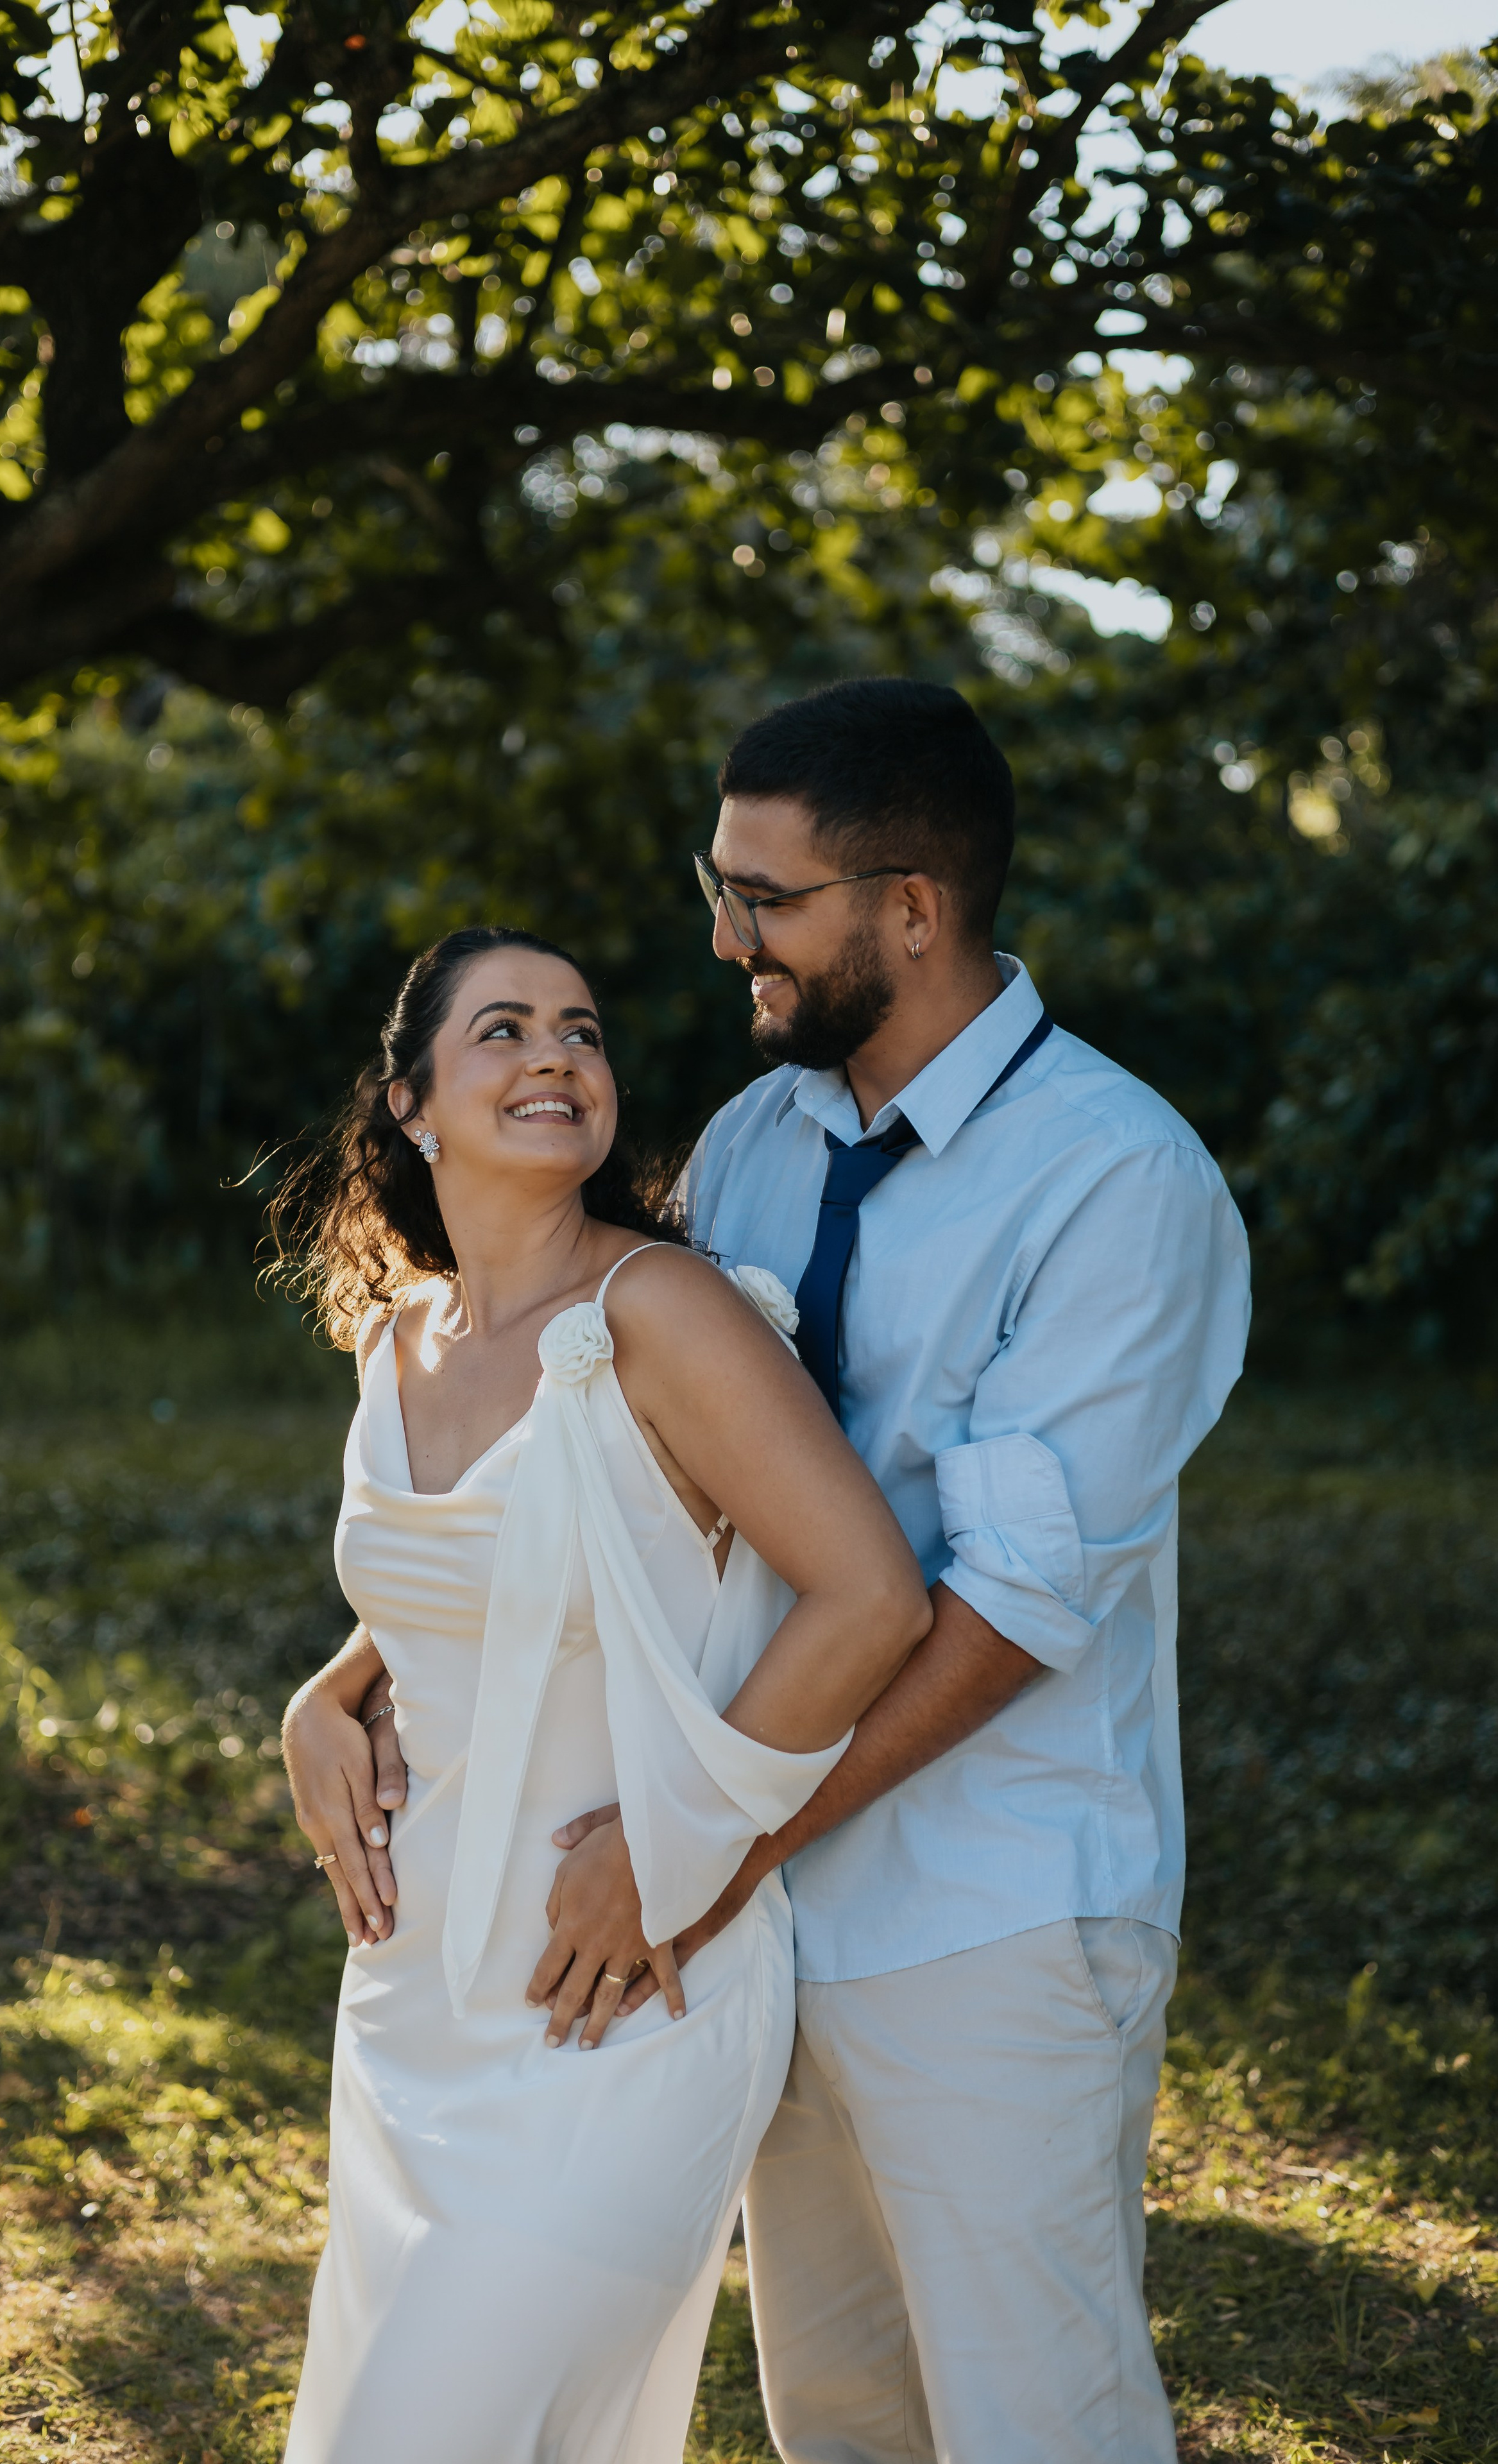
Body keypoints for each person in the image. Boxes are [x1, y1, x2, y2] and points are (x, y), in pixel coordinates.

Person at [350, 679, 1251, 2460]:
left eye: (763, 899)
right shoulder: (758, 1141)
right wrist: (358, 1674)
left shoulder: (1116, 1181)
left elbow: (1008, 1610)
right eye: (721, 885)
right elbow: (612, 1471)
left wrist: (703, 1846)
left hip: (988, 1902)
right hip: (760, 1927)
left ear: (910, 908)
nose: (722, 938)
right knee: (833, 2414)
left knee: (1034, 2414)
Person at [273, 923, 931, 2464]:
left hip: (626, 1996)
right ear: (410, 1105)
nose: (556, 1056)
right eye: (501, 1030)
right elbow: (469, 1594)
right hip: (415, 1999)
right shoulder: (397, 1340)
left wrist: (672, 1843)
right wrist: (324, 1695)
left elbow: (871, 1598)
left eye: (580, 1030)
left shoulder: (662, 1314)